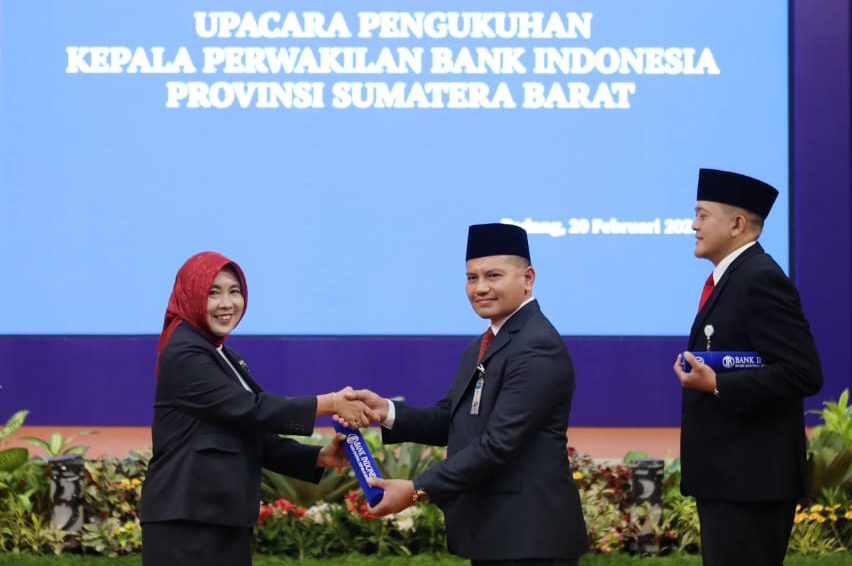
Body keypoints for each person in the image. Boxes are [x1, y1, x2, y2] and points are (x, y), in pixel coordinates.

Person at [346, 223, 589, 566]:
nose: (480, 288)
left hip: (530, 541)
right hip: (498, 537)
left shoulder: (536, 346)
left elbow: (498, 445)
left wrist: (415, 489)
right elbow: (450, 419)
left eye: (493, 276)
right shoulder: (484, 344)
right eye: (471, 277)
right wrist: (385, 411)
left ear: (528, 278)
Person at [140, 251, 376, 566]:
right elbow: (251, 408)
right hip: (187, 524)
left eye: (234, 291)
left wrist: (319, 457)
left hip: (220, 519)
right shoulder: (185, 352)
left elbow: (253, 432)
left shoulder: (223, 355)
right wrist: (331, 402)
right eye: (213, 292)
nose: (227, 303)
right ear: (191, 295)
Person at [672, 169, 823, 566]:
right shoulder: (734, 277)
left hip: (751, 484)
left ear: (737, 224)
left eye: (702, 215)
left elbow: (803, 372)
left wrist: (718, 384)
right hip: (730, 481)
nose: (693, 225)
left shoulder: (759, 279)